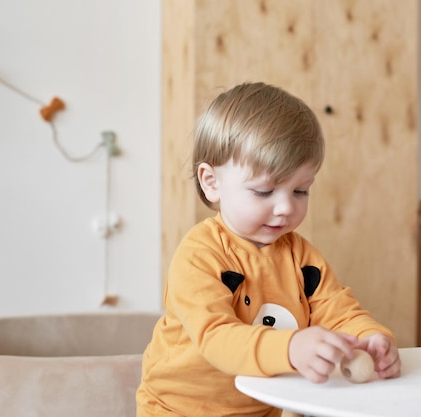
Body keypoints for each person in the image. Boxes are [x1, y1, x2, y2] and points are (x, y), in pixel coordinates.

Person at [136, 82, 401, 417]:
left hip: (265, 409)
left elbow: (339, 312)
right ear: (211, 182)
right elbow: (217, 338)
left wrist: (371, 337)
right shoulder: (199, 255)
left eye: (301, 191)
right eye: (264, 191)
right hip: (180, 410)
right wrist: (290, 348)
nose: (285, 208)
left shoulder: (303, 258)